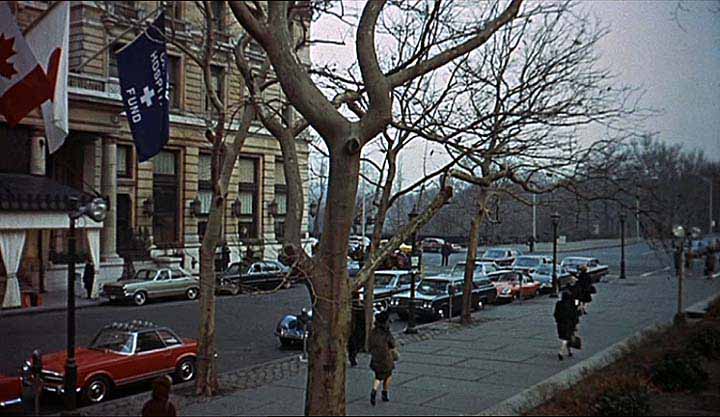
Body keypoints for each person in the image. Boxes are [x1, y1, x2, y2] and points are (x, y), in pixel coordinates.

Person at [368, 310, 396, 406]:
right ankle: (385, 393)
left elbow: (369, 345)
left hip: (375, 357)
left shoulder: (373, 332)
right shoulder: (386, 333)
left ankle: (374, 390)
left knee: (378, 376)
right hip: (386, 357)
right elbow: (392, 344)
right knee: (388, 375)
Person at [553, 290, 579, 361]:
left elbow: (555, 314)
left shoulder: (558, 303)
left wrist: (557, 320)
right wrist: (576, 324)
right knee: (566, 338)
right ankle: (561, 352)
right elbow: (574, 314)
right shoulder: (571, 304)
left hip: (560, 323)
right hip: (569, 323)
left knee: (567, 337)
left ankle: (569, 351)